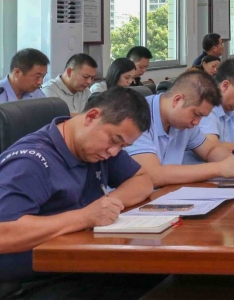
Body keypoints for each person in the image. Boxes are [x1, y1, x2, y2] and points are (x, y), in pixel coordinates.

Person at [0, 88, 161, 299]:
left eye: (123, 146)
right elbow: (4, 233)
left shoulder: (97, 149)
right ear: (92, 117)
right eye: (115, 140)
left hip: (80, 261)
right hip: (33, 280)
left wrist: (108, 204)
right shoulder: (31, 162)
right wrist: (84, 217)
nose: (114, 152)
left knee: (166, 275)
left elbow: (143, 180)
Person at [126, 71, 234, 187]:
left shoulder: (184, 123)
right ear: (177, 100)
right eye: (196, 114)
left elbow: (210, 151)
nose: (196, 122)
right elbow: (152, 175)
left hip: (169, 194)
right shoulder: (137, 115)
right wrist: (219, 168)